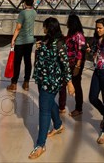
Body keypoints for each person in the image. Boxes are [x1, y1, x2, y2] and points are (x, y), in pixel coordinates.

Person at [28, 17, 74, 160]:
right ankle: (58, 125)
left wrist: (69, 82)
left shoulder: (60, 43)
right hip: (42, 79)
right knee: (49, 103)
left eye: (45, 27)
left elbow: (65, 64)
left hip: (52, 81)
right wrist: (38, 48)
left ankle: (40, 145)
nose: (43, 29)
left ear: (50, 27)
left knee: (44, 110)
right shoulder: (46, 40)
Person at [7, 0, 37, 92]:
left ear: (24, 2)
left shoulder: (22, 13)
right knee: (27, 61)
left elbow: (18, 28)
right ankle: (26, 83)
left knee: (17, 62)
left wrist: (13, 39)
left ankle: (14, 83)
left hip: (21, 41)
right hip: (30, 41)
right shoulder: (34, 12)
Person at [58, 14, 86, 117]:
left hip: (75, 64)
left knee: (76, 85)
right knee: (63, 83)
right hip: (68, 62)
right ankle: (61, 106)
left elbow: (80, 52)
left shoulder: (79, 35)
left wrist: (78, 67)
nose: (66, 23)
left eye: (68, 21)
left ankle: (79, 108)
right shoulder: (71, 34)